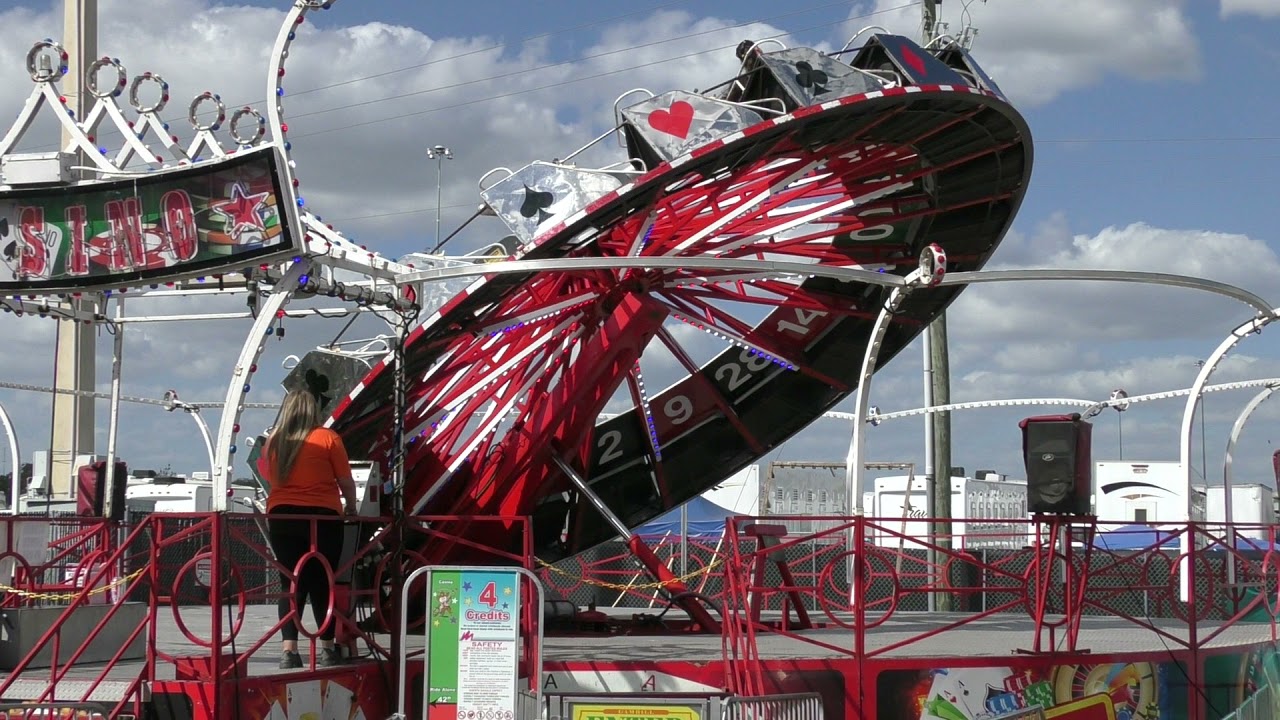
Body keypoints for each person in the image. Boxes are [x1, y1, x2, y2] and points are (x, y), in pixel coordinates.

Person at [259, 389, 359, 669]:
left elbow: (270, 478)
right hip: (323, 515)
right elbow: (345, 480)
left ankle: (289, 651)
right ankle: (327, 647)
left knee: (291, 582)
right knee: (322, 580)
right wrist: (351, 506)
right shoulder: (328, 438)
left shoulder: (274, 441)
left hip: (282, 515)